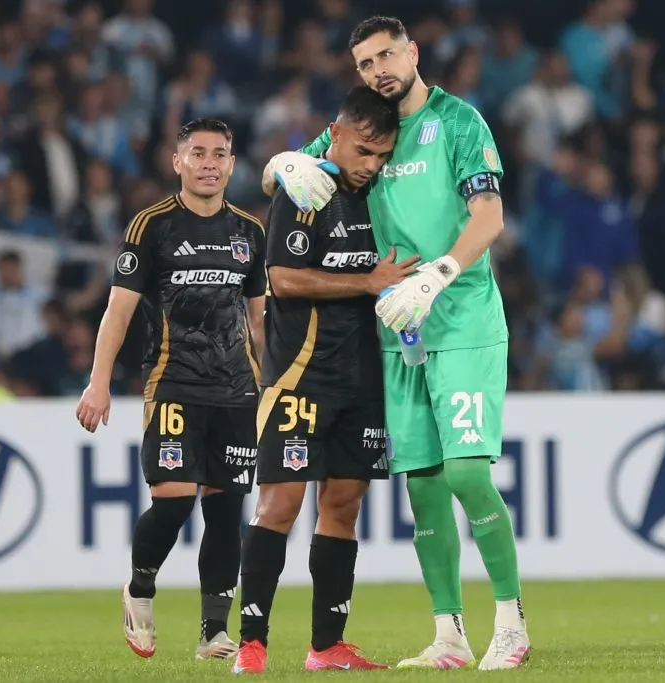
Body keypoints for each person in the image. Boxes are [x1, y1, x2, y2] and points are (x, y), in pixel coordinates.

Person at [260, 16, 531, 671]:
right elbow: (284, 184)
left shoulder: (458, 121)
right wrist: (281, 163)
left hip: (460, 318)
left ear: (412, 52)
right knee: (425, 486)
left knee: (467, 471)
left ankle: (512, 621)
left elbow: (489, 216)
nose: (378, 69)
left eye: (387, 54)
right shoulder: (359, 126)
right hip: (396, 329)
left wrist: (439, 274)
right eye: (364, 62)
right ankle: (448, 632)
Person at [232, 86, 419, 675]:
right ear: (335, 135)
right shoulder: (304, 189)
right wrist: (368, 283)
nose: (371, 165)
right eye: (364, 151)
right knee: (280, 503)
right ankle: (252, 643)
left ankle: (327, 646)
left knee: (342, 505)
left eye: (382, 156)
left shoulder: (381, 197)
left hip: (362, 380)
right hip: (298, 376)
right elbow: (283, 278)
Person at [76, 118, 266, 662]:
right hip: (173, 384)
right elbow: (118, 309)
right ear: (177, 162)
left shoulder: (249, 232)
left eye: (220, 154)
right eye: (198, 153)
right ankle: (140, 589)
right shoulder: (151, 227)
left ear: (232, 164)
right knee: (175, 500)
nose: (209, 163)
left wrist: (276, 382)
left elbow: (260, 320)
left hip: (237, 390)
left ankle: (213, 631)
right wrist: (99, 381)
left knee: (227, 510)